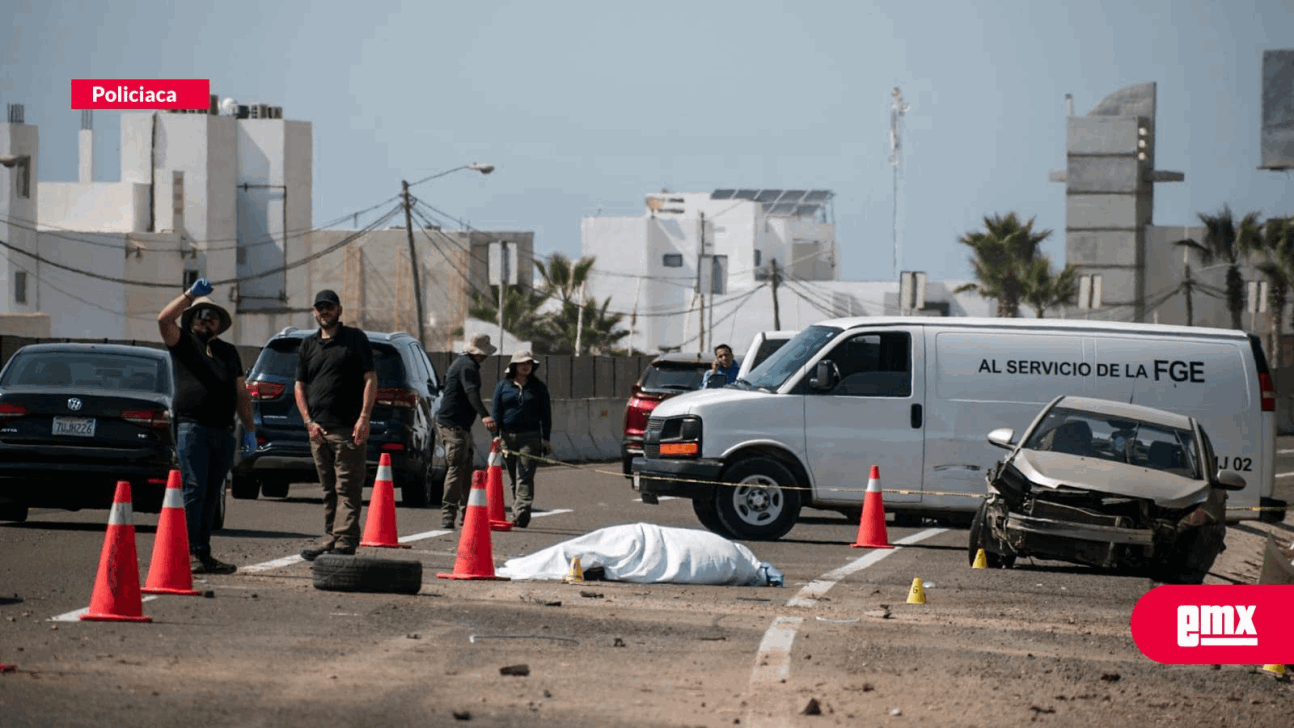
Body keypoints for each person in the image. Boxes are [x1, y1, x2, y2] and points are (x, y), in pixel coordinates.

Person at [157, 277, 256, 575]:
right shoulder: (183, 343)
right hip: (193, 428)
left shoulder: (228, 352)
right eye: (201, 315)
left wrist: (249, 429)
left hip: (223, 432)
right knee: (195, 489)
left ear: (219, 324)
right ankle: (187, 554)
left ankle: (203, 553)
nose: (207, 320)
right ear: (191, 319)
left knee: (213, 494)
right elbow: (163, 319)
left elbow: (241, 392)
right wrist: (189, 294)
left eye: (212, 317)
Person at [295, 290, 377, 561]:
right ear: (314, 312)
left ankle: (346, 539)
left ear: (339, 310)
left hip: (347, 429)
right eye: (320, 308)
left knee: (348, 487)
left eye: (329, 307)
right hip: (318, 431)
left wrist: (364, 417)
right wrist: (308, 422)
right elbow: (299, 385)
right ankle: (332, 535)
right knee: (329, 489)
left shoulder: (355, 339)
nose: (324, 312)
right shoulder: (308, 345)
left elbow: (370, 379)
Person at [435, 333, 498, 529]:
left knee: (466, 468)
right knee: (456, 468)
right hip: (453, 425)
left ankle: (468, 513)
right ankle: (448, 514)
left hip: (460, 425)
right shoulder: (468, 367)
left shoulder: (462, 364)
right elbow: (472, 394)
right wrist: (485, 415)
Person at [490, 350, 552, 528]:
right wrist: (496, 437)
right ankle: (518, 510)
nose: (526, 366)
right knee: (512, 477)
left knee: (524, 475)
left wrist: (545, 438)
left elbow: (546, 414)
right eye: (522, 363)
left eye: (529, 363)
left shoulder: (538, 387)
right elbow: (496, 412)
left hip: (530, 438)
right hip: (507, 437)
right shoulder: (503, 386)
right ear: (514, 366)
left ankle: (522, 512)